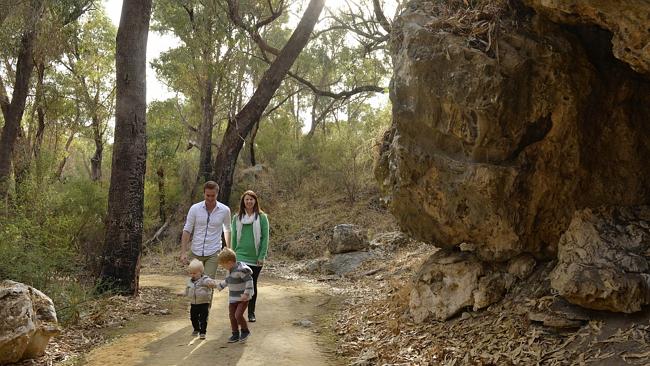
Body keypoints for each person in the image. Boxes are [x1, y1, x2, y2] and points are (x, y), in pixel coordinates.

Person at [231, 190, 269, 323]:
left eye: (251, 199)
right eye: (246, 199)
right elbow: (234, 238)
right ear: (243, 201)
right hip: (240, 256)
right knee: (240, 285)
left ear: (255, 201)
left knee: (252, 285)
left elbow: (265, 238)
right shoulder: (237, 218)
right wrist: (232, 255)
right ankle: (238, 312)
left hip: (255, 258)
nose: (249, 202)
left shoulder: (262, 217)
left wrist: (261, 255)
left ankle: (251, 313)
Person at [180, 181, 231, 278]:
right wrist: (183, 252)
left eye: (213, 195)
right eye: (208, 195)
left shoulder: (225, 210)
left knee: (207, 284)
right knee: (193, 284)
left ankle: (207, 292)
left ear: (217, 194)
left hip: (213, 252)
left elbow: (227, 229)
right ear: (203, 193)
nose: (210, 198)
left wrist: (228, 249)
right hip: (195, 251)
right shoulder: (195, 208)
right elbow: (187, 230)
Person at [216, 248, 254, 343]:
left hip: (242, 298)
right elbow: (228, 281)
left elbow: (249, 281)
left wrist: (246, 293)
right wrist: (218, 286)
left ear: (229, 262)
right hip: (233, 298)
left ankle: (245, 331)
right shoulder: (229, 270)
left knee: (238, 315)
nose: (223, 267)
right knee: (232, 316)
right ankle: (235, 334)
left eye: (223, 265)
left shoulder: (240, 270)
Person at [185, 259, 219, 340]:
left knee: (203, 319)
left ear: (201, 272)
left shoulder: (204, 280)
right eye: (191, 273)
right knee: (193, 317)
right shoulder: (190, 281)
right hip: (193, 303)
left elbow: (211, 282)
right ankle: (196, 329)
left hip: (204, 303)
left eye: (195, 273)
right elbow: (187, 289)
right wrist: (184, 293)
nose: (192, 275)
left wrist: (212, 284)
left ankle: (203, 332)